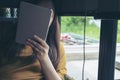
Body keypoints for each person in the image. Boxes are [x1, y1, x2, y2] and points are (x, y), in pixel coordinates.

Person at [0, 0, 67, 80]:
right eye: (38, 12)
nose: (43, 18)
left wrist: (44, 59)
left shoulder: (57, 48)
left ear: (53, 18)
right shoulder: (6, 38)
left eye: (49, 14)